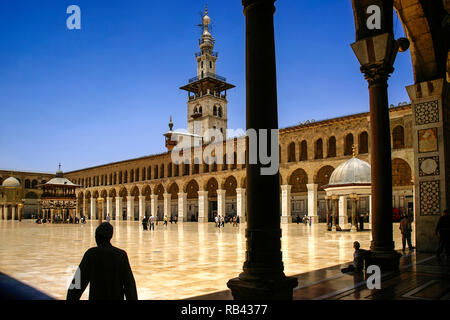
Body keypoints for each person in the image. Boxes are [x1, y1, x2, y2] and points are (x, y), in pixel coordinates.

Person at [67, 222, 138, 300]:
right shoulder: (121, 255)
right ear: (110, 237)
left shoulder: (91, 254)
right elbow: (129, 285)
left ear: (97, 236)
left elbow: (77, 283)